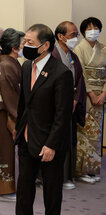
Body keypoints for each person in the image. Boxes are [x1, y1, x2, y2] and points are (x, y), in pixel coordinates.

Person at [15, 24, 73, 215]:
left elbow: (62, 115)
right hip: (26, 138)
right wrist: (18, 129)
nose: (25, 46)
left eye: (30, 43)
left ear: (45, 45)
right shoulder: (25, 67)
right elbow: (24, 103)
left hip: (49, 143)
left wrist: (51, 145)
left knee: (51, 192)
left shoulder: (61, 73)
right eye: (25, 42)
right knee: (24, 190)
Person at [52, 21, 87, 189]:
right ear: (60, 36)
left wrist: (75, 100)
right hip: (55, 107)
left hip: (70, 106)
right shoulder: (51, 54)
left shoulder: (73, 56)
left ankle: (66, 176)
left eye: (76, 35)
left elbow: (80, 79)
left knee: (69, 140)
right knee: (55, 140)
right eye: (73, 35)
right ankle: (51, 177)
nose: (76, 38)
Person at [74, 17, 106, 184]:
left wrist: (103, 93)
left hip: (101, 94)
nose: (93, 30)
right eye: (89, 28)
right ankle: (81, 171)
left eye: (96, 27)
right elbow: (81, 74)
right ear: (84, 31)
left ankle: (92, 169)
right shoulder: (79, 49)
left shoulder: (104, 48)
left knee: (96, 134)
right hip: (86, 95)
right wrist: (91, 94)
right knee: (84, 131)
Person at [0, 28, 25, 202]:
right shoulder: (6, 64)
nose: (24, 47)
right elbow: (10, 95)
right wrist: (15, 115)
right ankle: (5, 188)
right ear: (14, 47)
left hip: (8, 110)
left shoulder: (10, 62)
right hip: (4, 112)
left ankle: (7, 185)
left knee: (7, 149)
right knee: (5, 149)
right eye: (23, 44)